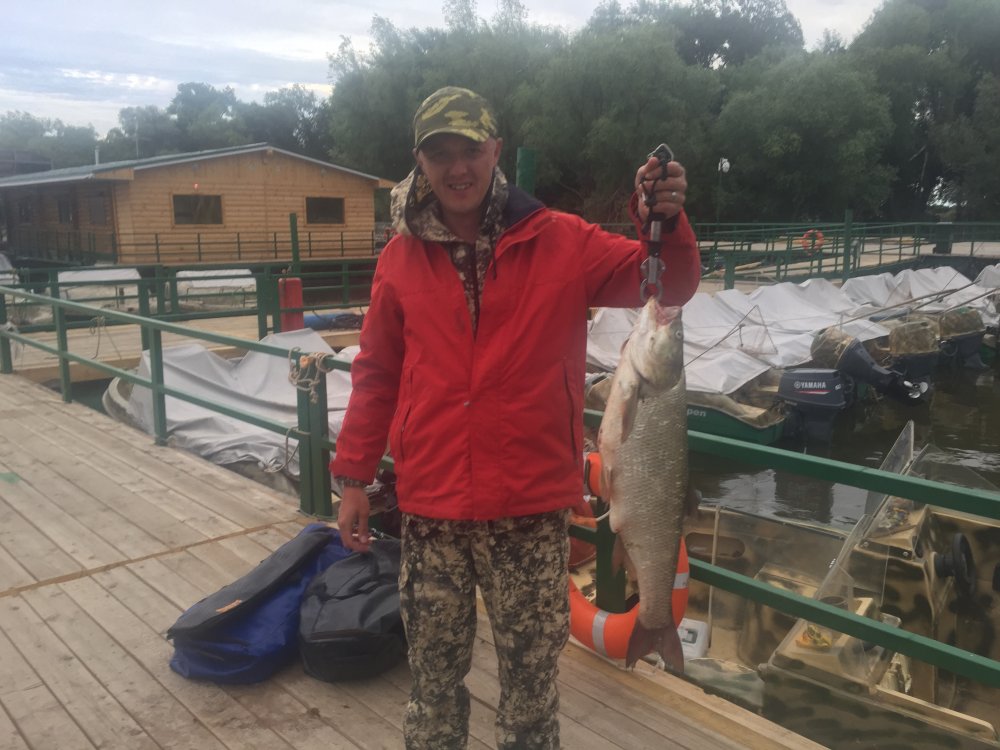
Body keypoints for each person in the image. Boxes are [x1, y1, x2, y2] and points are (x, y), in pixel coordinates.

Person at [331, 86, 700, 750]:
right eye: (440, 154)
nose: (457, 168)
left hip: (530, 511)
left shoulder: (561, 240)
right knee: (433, 689)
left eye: (470, 150)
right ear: (420, 161)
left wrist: (664, 220)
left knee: (531, 697)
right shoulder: (399, 258)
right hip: (432, 508)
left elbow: (666, 283)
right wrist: (354, 476)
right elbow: (377, 371)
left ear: (495, 150)